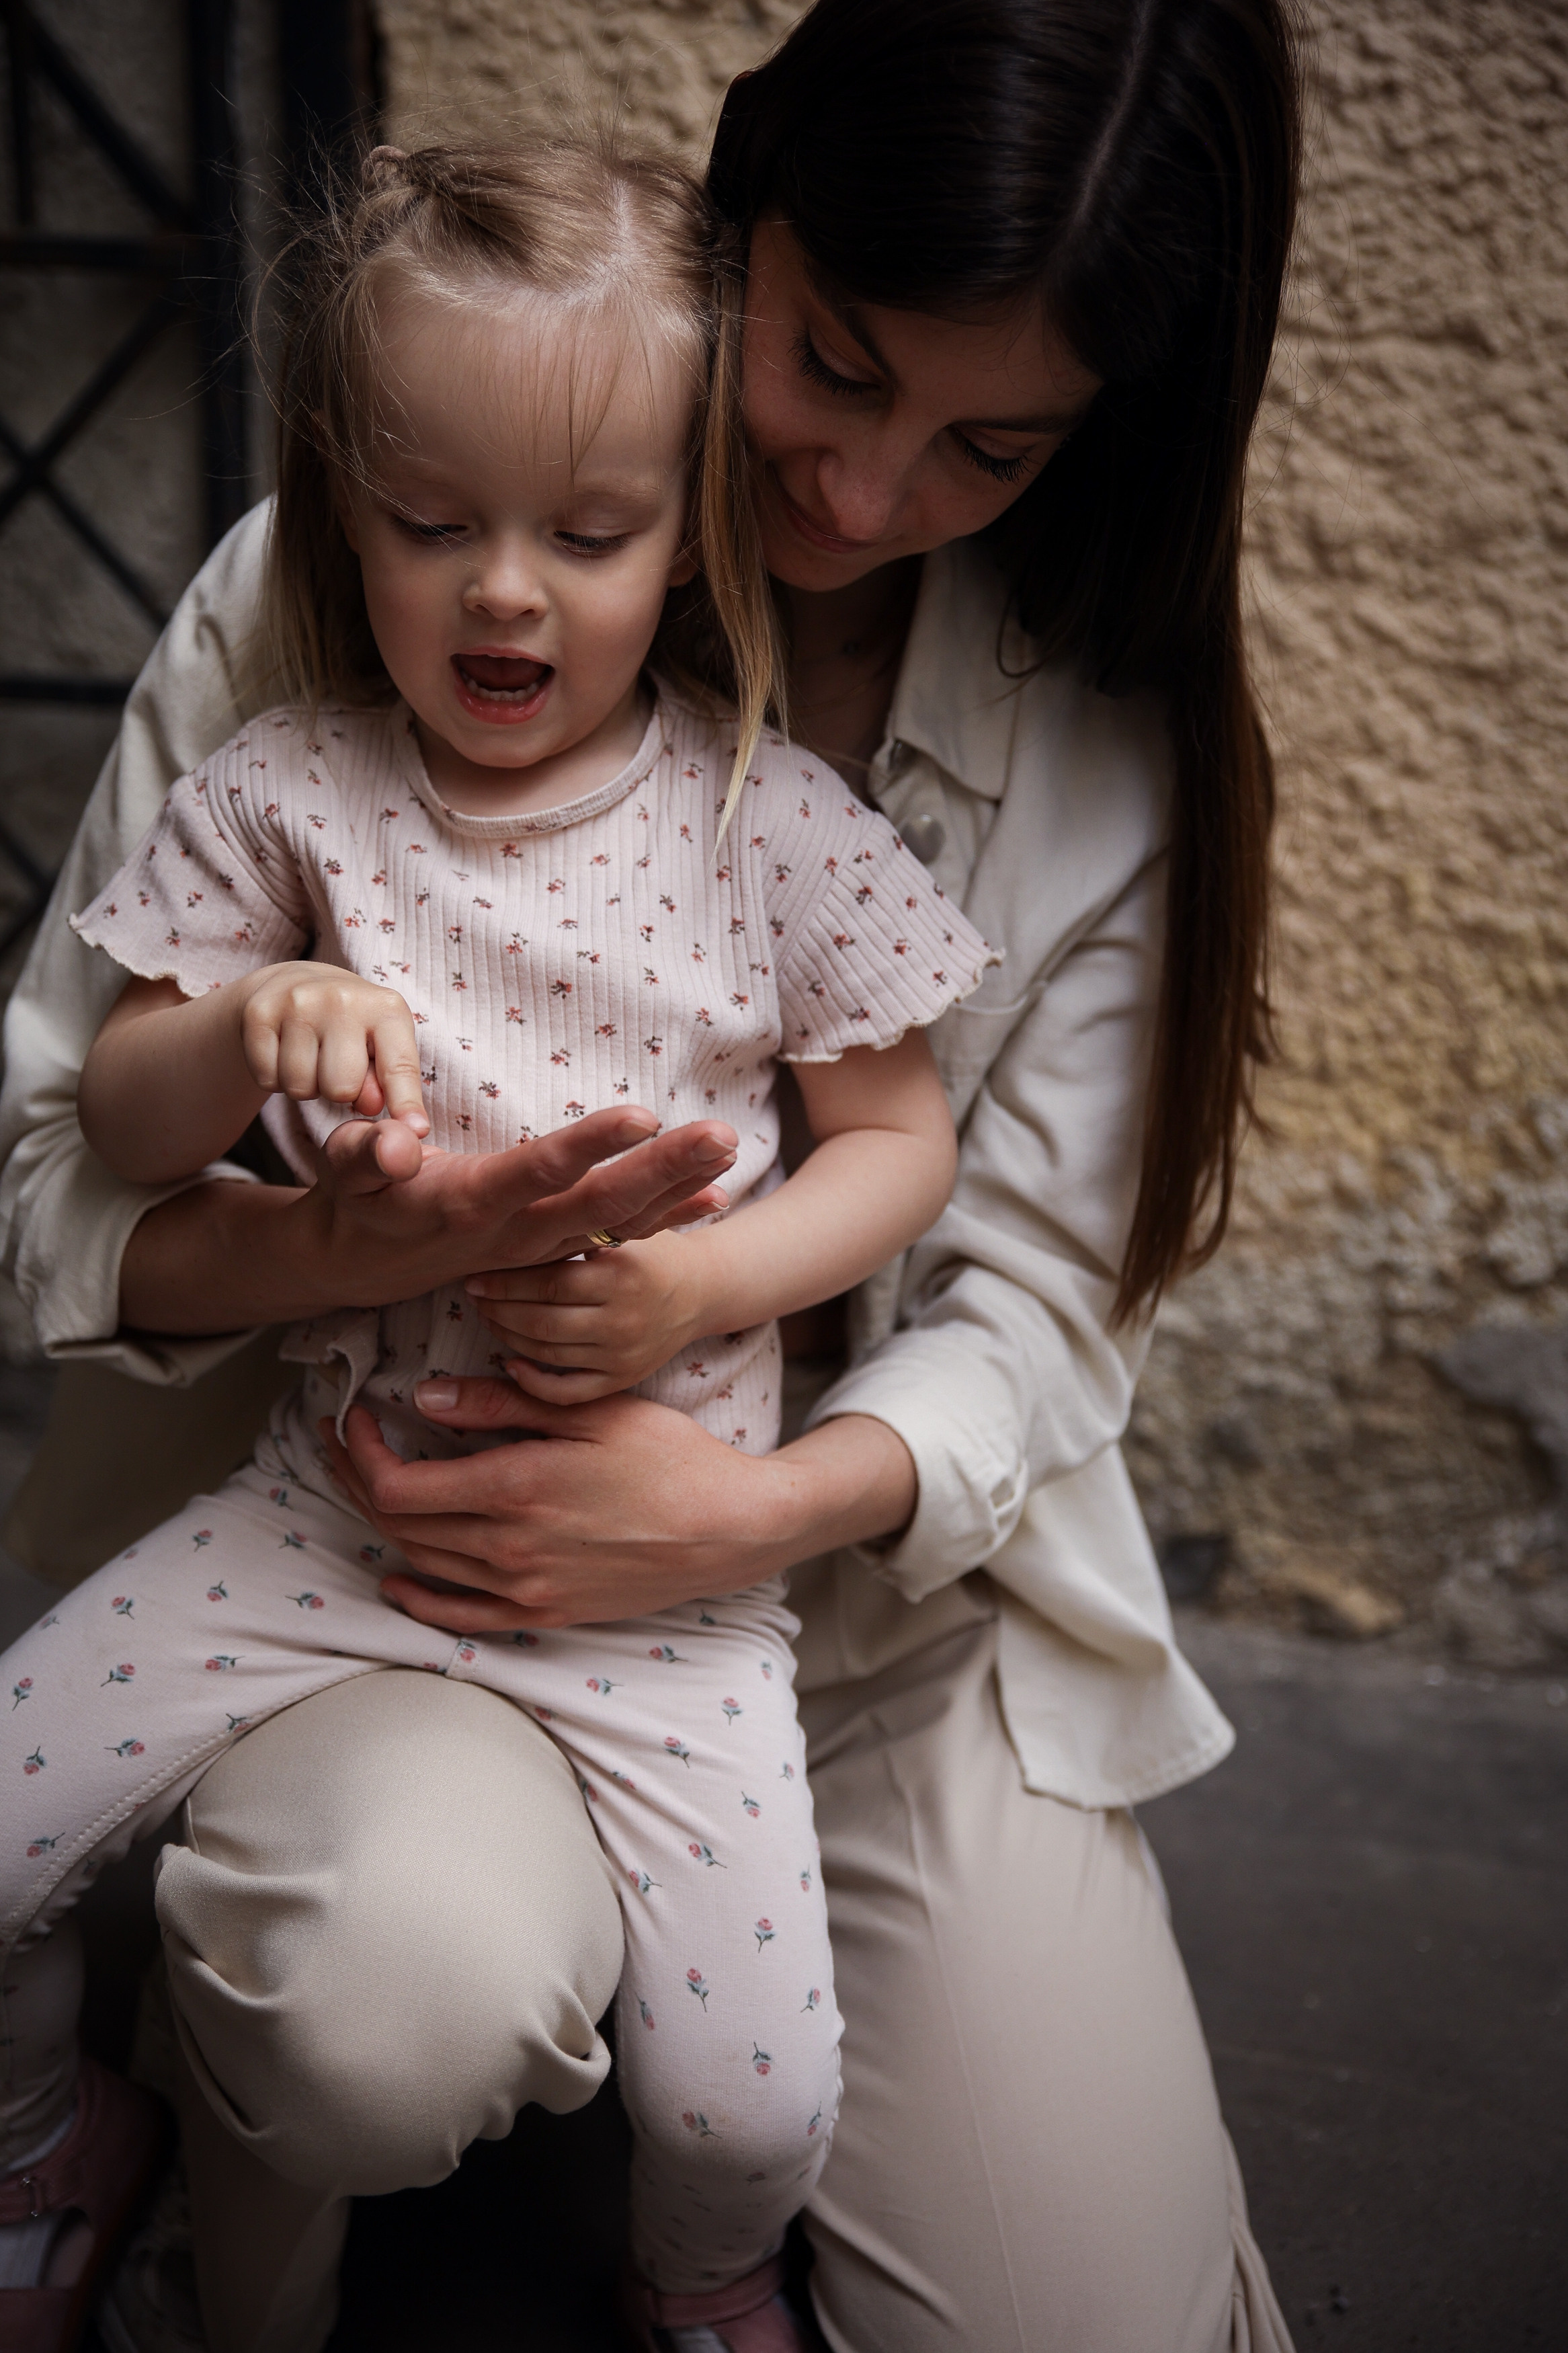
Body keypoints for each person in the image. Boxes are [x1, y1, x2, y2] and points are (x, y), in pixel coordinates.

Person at [0, 1, 1303, 2348]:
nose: (870, 493)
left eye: (992, 441)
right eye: (830, 362)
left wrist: (744, 1493)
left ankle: (701, 2202)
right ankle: (218, 2154)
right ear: (743, 235)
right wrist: (330, 1235)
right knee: (380, 1994)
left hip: (857, 1618)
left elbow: (1011, 1290)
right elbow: (63, 1157)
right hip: (409, 1529)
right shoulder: (337, 608)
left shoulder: (1071, 728)